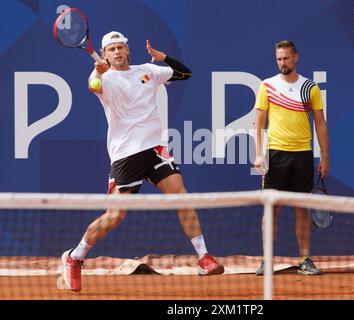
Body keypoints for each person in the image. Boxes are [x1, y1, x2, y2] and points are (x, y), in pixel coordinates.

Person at [60, 31, 224, 292]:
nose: (116, 52)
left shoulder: (148, 70)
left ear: (128, 49)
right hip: (126, 154)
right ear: (104, 54)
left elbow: (185, 74)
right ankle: (75, 256)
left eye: (120, 47)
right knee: (115, 215)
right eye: (111, 49)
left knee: (183, 197)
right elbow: (94, 87)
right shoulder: (102, 77)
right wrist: (100, 73)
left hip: (155, 148)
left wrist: (164, 58)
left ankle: (204, 257)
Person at [253, 40, 329, 276]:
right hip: (275, 155)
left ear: (295, 58)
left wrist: (324, 156)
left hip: (303, 156)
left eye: (286, 58)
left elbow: (320, 123)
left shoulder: (310, 87)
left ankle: (305, 260)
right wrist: (258, 154)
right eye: (278, 59)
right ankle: (267, 260)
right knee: (271, 210)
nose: (282, 63)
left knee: (301, 209)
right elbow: (259, 122)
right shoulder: (267, 86)